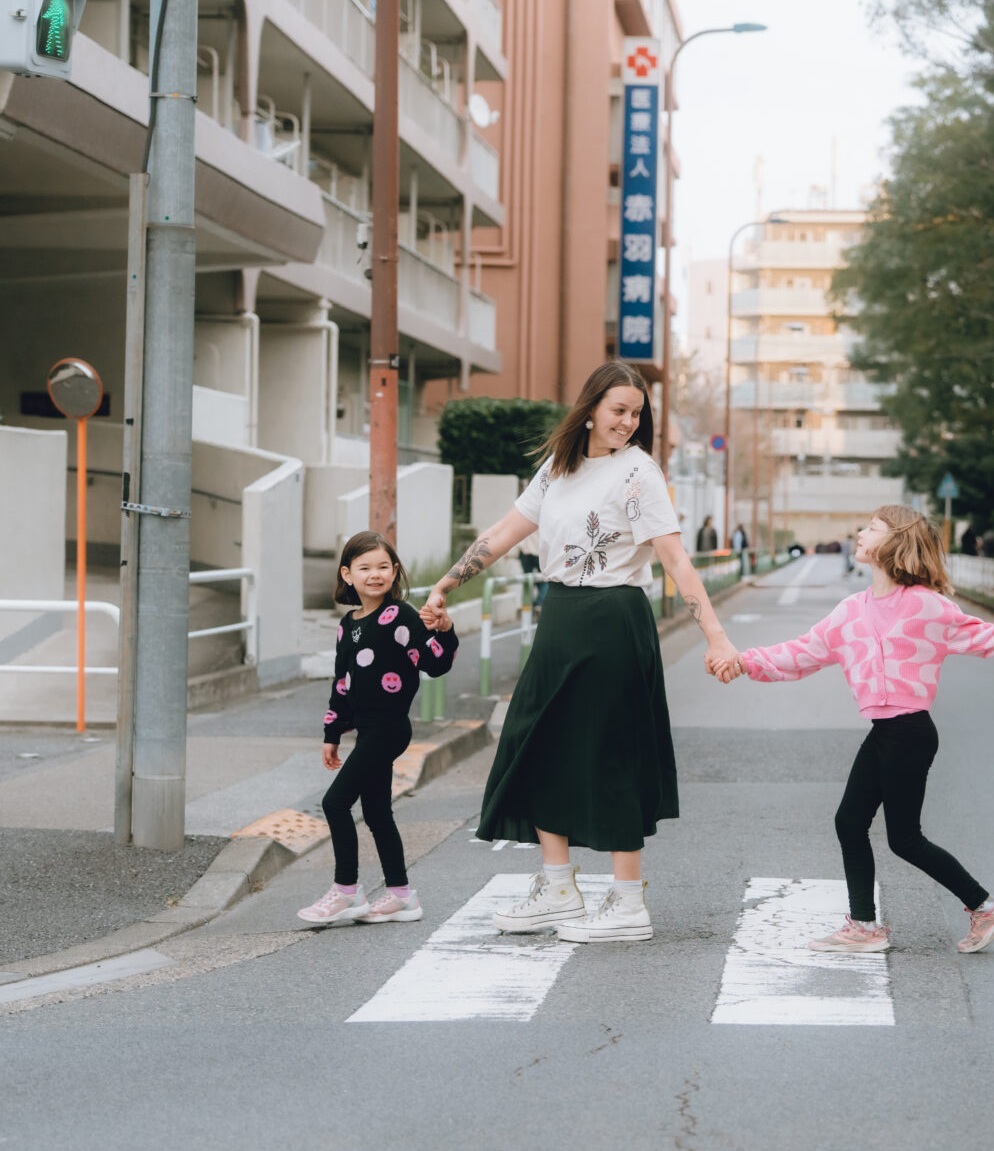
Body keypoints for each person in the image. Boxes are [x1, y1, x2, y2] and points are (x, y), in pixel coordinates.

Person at [419, 362, 739, 944]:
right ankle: (558, 886)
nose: (628, 421)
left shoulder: (638, 473)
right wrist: (446, 584)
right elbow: (504, 531)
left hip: (614, 617)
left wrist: (715, 636)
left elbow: (675, 558)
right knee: (536, 742)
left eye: (636, 413)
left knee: (612, 752)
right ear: (590, 408)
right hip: (561, 616)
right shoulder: (558, 468)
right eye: (619, 409)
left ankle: (627, 900)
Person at [729, 506, 994, 954]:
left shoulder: (927, 606)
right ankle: (865, 926)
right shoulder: (851, 611)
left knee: (904, 839)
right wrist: (744, 662)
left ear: (895, 541)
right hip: (886, 731)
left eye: (872, 528)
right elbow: (802, 652)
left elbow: (987, 638)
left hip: (909, 732)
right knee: (850, 822)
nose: (860, 533)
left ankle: (984, 906)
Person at [297, 531, 457, 926]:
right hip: (367, 731)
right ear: (347, 575)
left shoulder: (400, 615)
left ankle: (346, 891)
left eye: (383, 567)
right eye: (365, 568)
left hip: (389, 727)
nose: (375, 574)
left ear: (395, 571)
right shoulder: (347, 624)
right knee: (376, 812)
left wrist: (445, 628)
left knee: (335, 803)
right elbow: (341, 683)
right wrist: (332, 733)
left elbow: (435, 663)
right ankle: (401, 896)